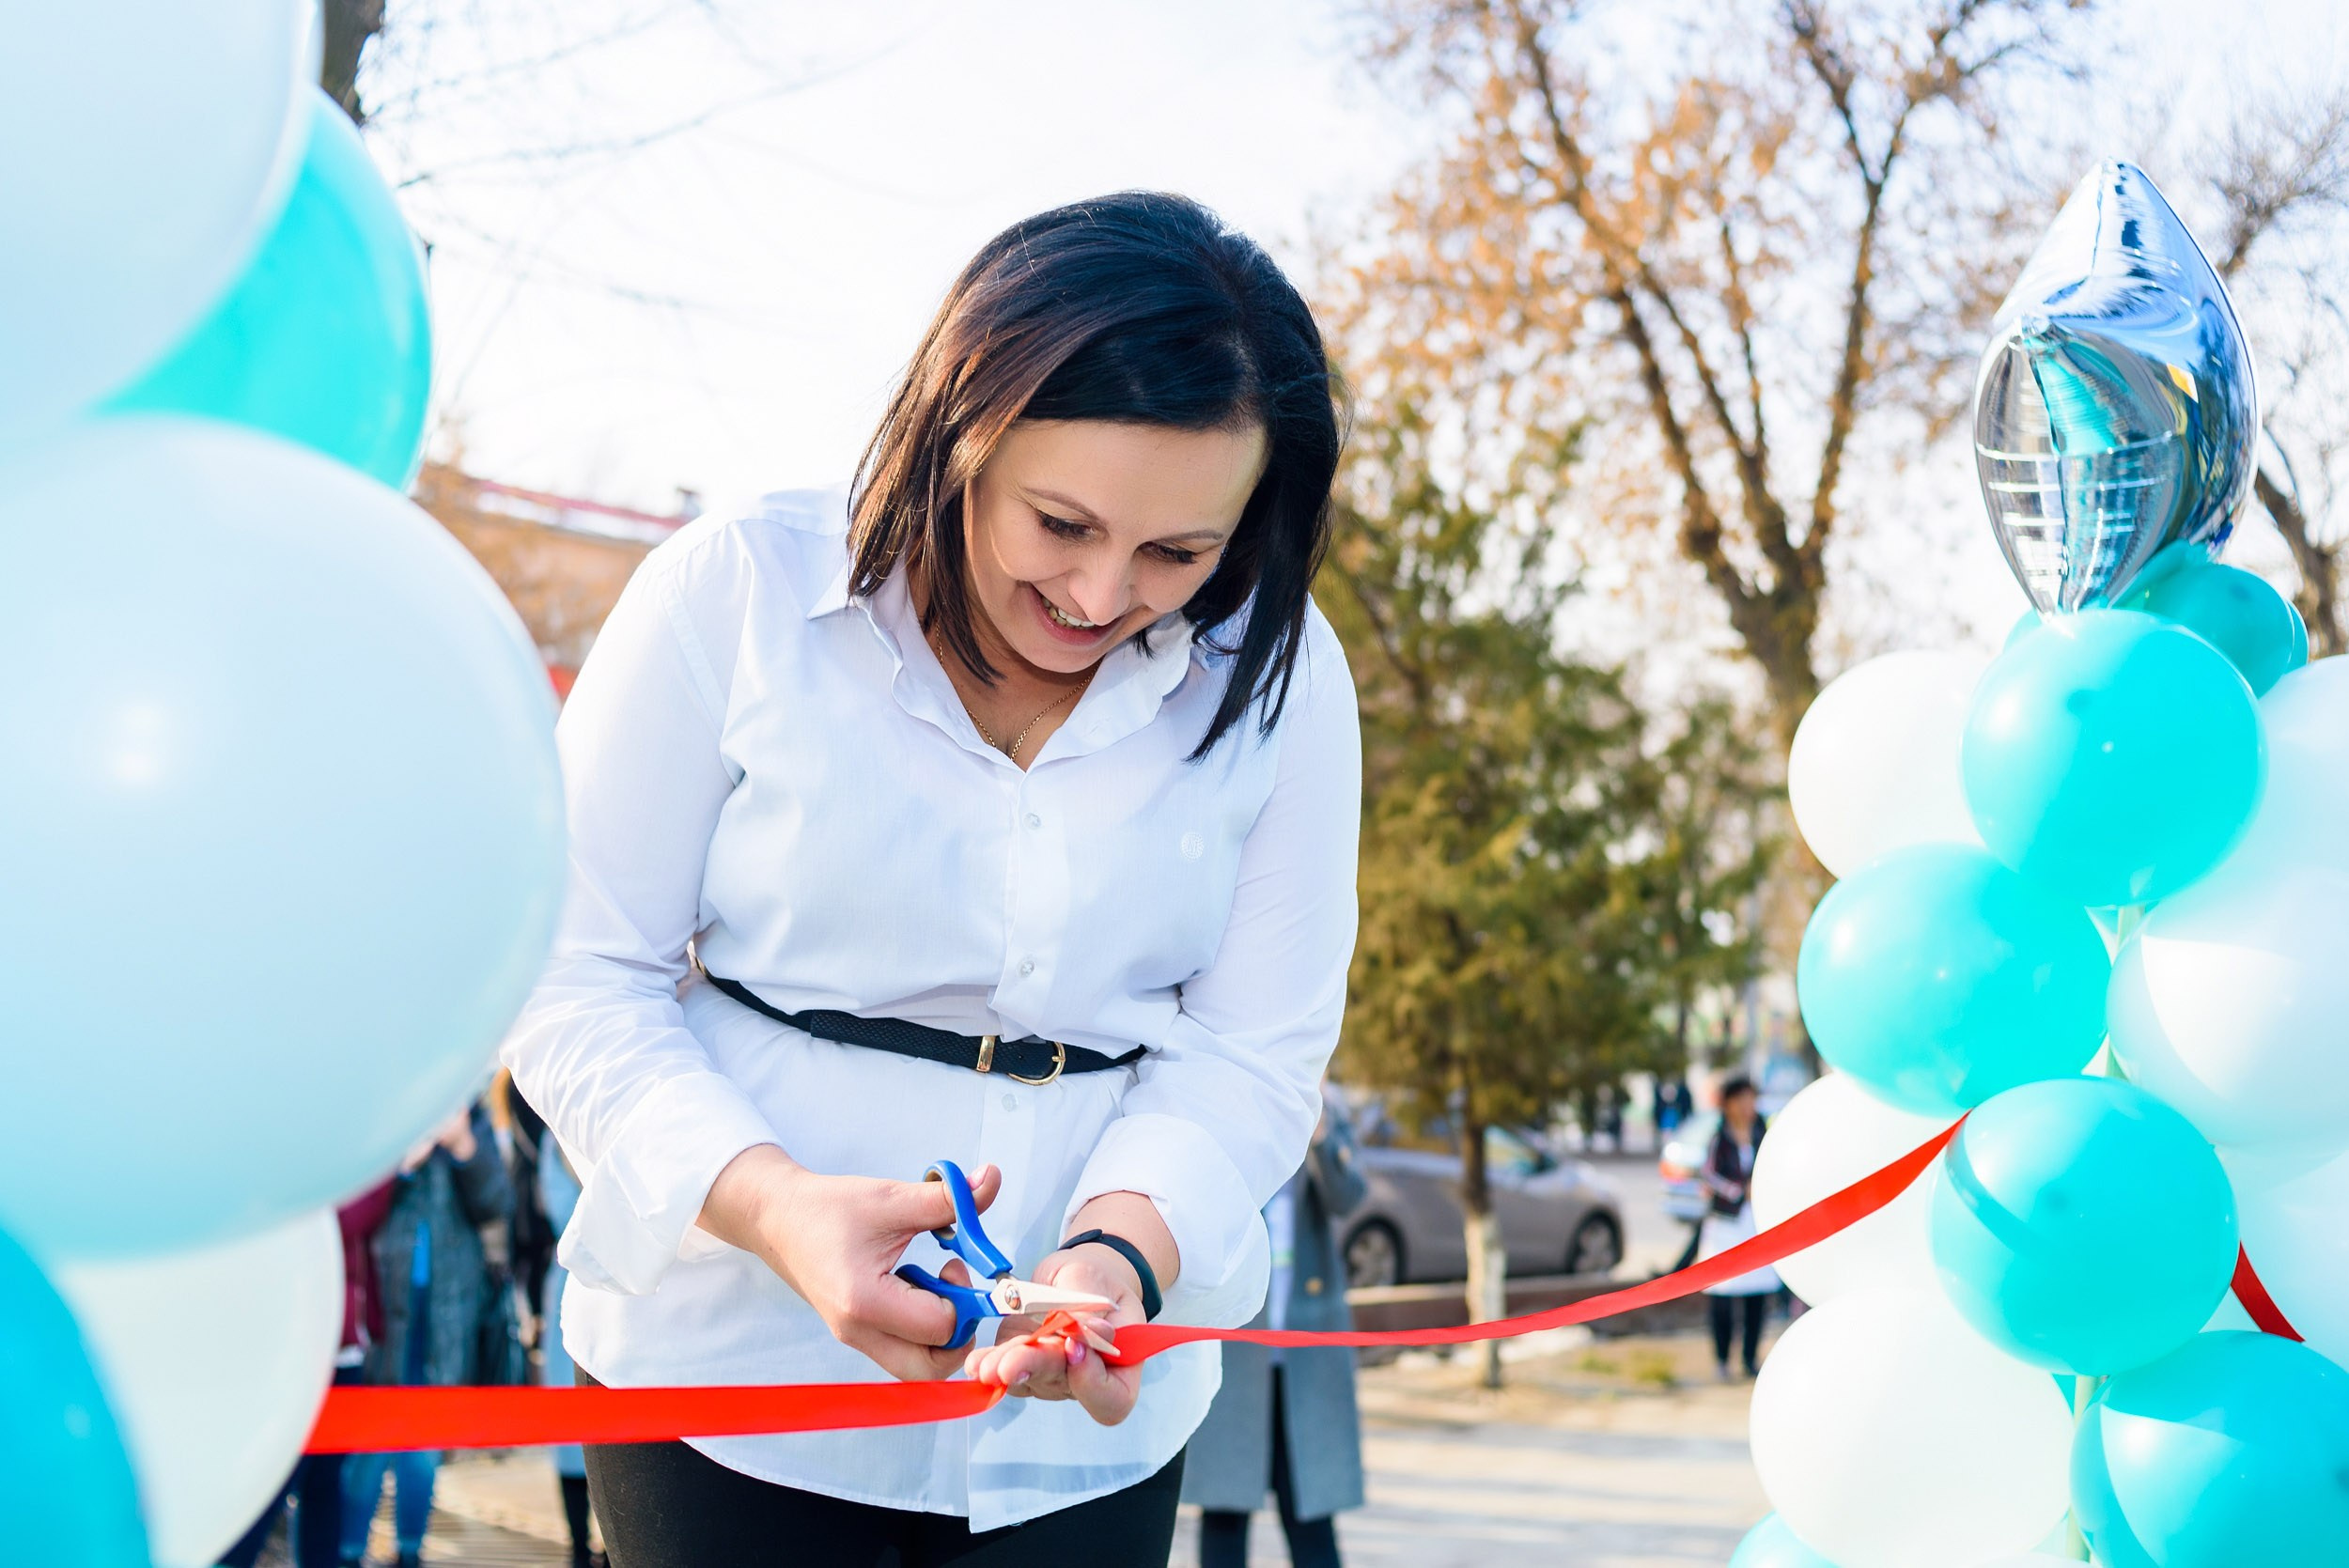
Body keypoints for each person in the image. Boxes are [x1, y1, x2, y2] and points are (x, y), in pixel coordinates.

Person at [500, 191, 1360, 1568]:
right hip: (728, 1381)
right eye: (1061, 522)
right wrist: (772, 1202)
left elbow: (1257, 1050)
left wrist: (1117, 1260)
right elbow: (571, 973)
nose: (1099, 594)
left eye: (1178, 553)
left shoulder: (1287, 680)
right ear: (960, 427)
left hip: (1085, 1426)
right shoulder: (733, 596)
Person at [1185, 1097, 1367, 1568]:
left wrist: (1320, 1131)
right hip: (1237, 1344)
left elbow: (1348, 1198)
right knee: (1225, 1511)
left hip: (1306, 1350)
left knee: (1310, 1512)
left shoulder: (1332, 1111)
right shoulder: (1230, 1095)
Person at [339, 1102, 512, 1568]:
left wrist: (463, 1145)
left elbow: (497, 1203)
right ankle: (349, 1550)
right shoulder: (379, 1113)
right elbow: (352, 1212)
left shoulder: (468, 1115)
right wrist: (403, 1165)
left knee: (425, 1442)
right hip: (381, 1306)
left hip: (448, 1309)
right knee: (368, 1441)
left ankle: (410, 1551)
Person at [215, 1181, 396, 1568]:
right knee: (273, 1484)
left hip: (341, 1346)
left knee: (325, 1485)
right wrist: (386, 1172)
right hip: (298, 1346)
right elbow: (344, 1222)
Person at [1698, 1075, 1776, 1380]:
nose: (1747, 1106)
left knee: (1758, 1292)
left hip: (1756, 1222)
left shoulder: (1761, 1130)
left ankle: (1750, 1357)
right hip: (1727, 1224)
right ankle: (1721, 1359)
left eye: (1751, 1099)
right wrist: (1741, 1190)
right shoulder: (1719, 1138)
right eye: (1741, 1099)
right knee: (1723, 1292)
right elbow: (1709, 1176)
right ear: (1728, 1104)